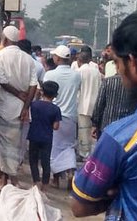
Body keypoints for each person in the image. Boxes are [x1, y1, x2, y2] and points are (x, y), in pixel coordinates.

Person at [71, 11, 137, 220]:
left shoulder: (121, 138)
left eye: (118, 64)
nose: (118, 71)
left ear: (133, 63)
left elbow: (79, 206)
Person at [0, 27, 38, 187]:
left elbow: (2, 81)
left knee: (4, 146)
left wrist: (18, 94)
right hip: (21, 110)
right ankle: (8, 177)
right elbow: (33, 85)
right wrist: (25, 107)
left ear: (4, 39)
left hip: (4, 107)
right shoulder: (28, 59)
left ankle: (10, 177)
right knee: (16, 145)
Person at [42, 45, 81, 188]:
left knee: (54, 148)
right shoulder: (76, 75)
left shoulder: (50, 75)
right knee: (69, 147)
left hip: (53, 115)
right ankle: (71, 172)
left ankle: (56, 179)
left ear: (57, 58)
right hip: (70, 116)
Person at [27, 81, 62, 191]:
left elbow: (29, 119)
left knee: (33, 160)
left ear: (41, 92)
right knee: (45, 161)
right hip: (47, 138)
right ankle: (45, 184)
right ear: (56, 95)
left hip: (33, 136)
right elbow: (56, 127)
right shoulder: (56, 109)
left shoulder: (33, 105)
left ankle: (36, 182)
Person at [91, 74, 137, 139]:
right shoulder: (134, 83)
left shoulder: (107, 81)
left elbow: (99, 105)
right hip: (126, 129)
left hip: (107, 128)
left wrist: (95, 124)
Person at [76, 50, 102, 159]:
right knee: (93, 131)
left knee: (83, 131)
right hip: (95, 104)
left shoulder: (79, 72)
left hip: (82, 105)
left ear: (79, 60)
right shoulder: (96, 72)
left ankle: (84, 153)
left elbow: (77, 89)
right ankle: (94, 153)